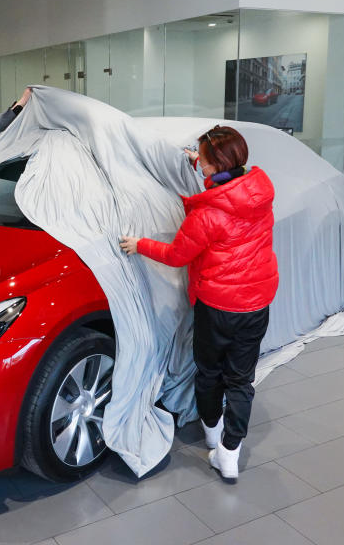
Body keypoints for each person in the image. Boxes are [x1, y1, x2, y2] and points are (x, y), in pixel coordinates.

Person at [119, 125, 278, 484]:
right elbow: (226, 181)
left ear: (215, 165)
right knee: (240, 380)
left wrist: (138, 244)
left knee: (208, 372)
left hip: (217, 307)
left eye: (203, 161)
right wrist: (202, 160)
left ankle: (211, 433)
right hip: (256, 303)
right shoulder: (260, 192)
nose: (200, 167)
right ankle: (230, 452)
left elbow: (177, 255)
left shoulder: (207, 213)